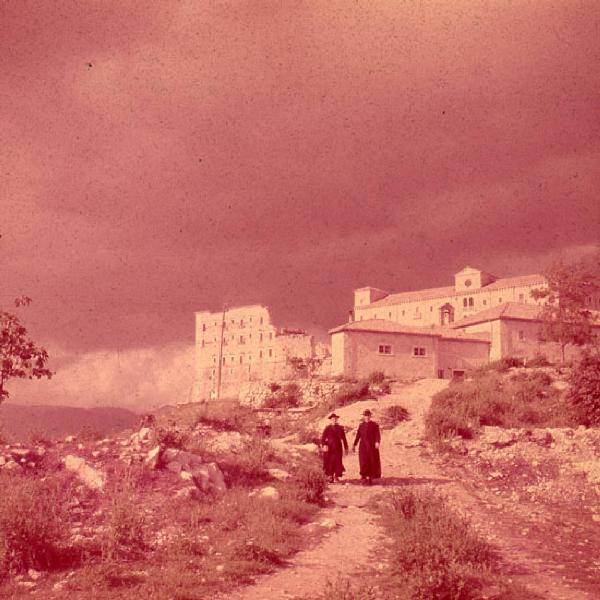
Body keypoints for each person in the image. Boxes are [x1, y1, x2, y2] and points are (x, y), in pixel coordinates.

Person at [352, 409, 381, 485]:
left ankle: (370, 478)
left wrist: (377, 442)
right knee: (363, 462)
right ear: (363, 416)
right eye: (365, 415)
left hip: (372, 447)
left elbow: (377, 435)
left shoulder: (374, 425)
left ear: (370, 416)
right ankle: (364, 477)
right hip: (363, 447)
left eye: (368, 415)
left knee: (371, 461)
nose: (367, 417)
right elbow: (358, 436)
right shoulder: (361, 425)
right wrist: (354, 444)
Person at [321, 413, 349, 483]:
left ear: (337, 420)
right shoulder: (327, 428)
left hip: (338, 447)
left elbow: (344, 439)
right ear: (330, 420)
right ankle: (330, 476)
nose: (334, 420)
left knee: (338, 462)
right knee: (330, 462)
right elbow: (322, 438)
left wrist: (346, 448)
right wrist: (324, 445)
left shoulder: (340, 428)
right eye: (332, 419)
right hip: (329, 448)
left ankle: (336, 476)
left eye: (335, 419)